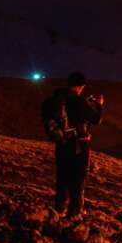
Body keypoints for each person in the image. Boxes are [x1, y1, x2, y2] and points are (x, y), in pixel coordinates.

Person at [42, 71, 105, 218]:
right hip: (78, 145)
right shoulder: (79, 101)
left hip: (62, 143)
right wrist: (99, 106)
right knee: (77, 179)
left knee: (62, 177)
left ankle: (58, 210)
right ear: (80, 86)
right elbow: (96, 119)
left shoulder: (55, 100)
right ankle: (74, 213)